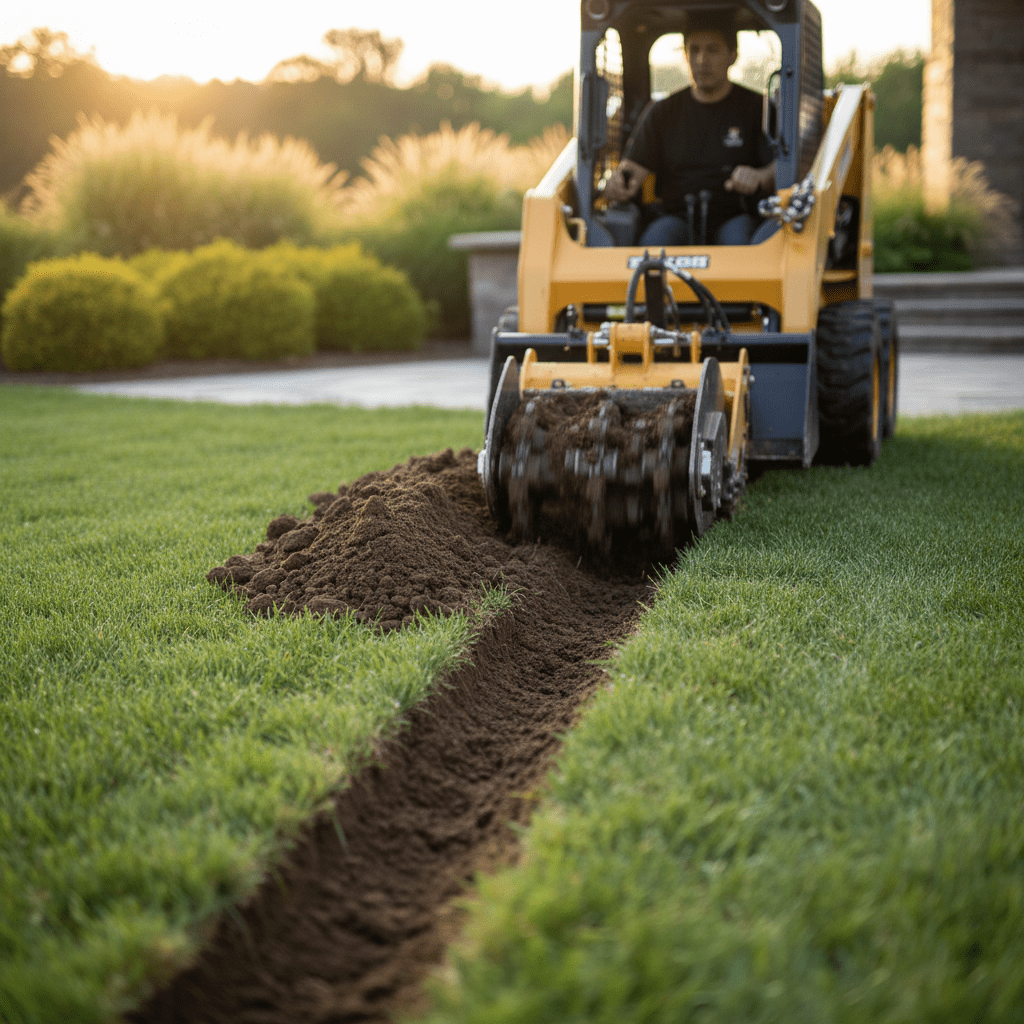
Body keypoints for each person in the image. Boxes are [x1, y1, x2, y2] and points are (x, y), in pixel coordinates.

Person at [603, 10, 776, 246]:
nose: (702, 60)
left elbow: (782, 167)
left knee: (740, 243)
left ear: (732, 56)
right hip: (676, 217)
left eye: (712, 50)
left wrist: (759, 176)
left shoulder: (758, 108)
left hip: (734, 215)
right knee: (653, 245)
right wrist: (619, 183)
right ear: (686, 55)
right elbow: (632, 169)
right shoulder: (662, 111)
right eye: (694, 50)